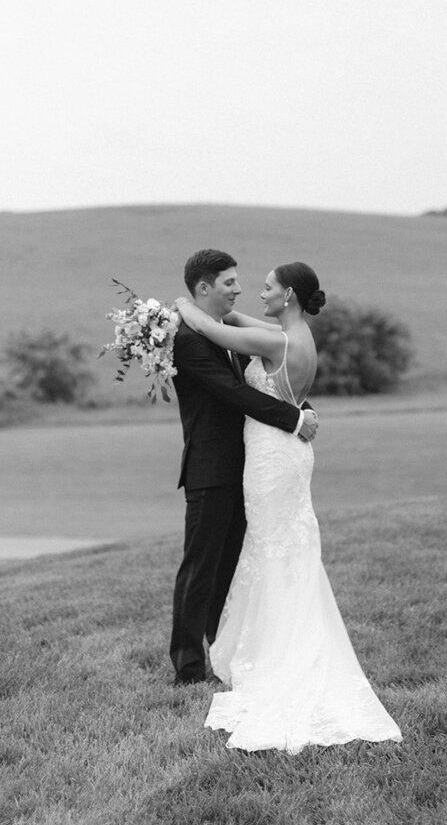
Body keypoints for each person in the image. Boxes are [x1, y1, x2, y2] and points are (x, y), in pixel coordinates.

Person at [175, 260, 402, 753]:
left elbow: (213, 327)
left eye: (267, 288)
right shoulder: (294, 335)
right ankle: (264, 642)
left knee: (272, 551)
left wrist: (179, 308)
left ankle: (278, 651)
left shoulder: (278, 342)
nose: (257, 294)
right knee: (277, 550)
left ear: (290, 295)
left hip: (272, 459)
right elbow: (235, 323)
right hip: (285, 455)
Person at [170, 249, 319, 686]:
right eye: (229, 282)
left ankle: (223, 649)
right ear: (203, 288)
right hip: (211, 468)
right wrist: (295, 418)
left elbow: (270, 383)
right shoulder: (190, 340)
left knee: (231, 566)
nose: (240, 289)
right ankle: (188, 666)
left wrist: (298, 408)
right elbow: (234, 394)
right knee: (200, 567)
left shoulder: (226, 331)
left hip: (253, 466)